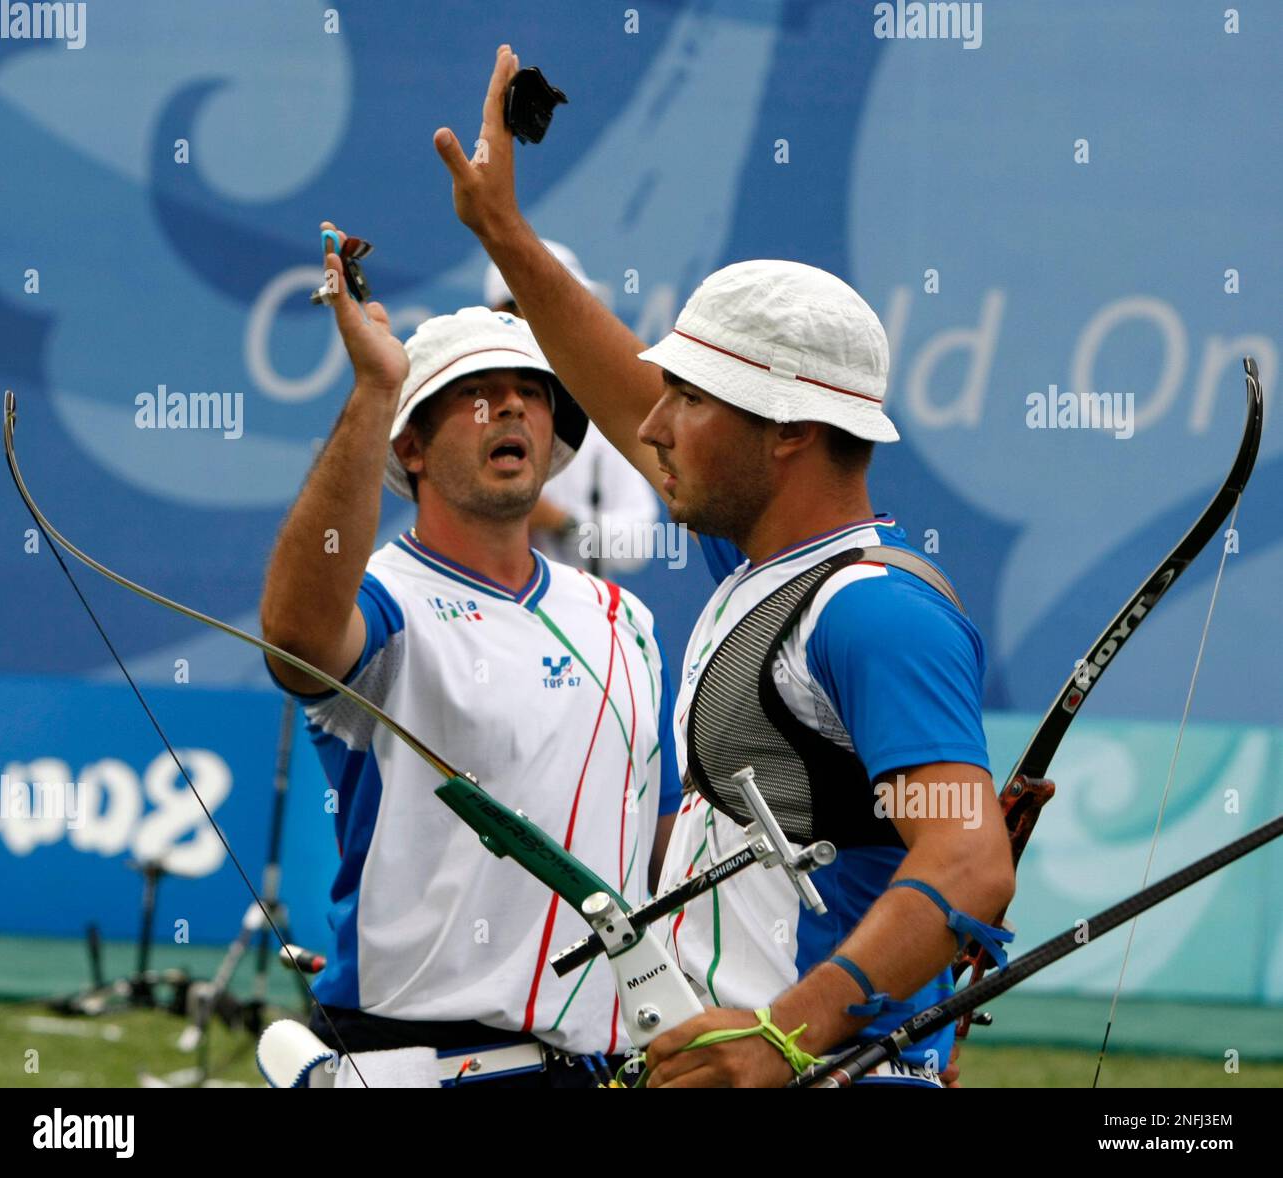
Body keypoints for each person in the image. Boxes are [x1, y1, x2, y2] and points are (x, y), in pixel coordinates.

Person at [430, 45, 1015, 1088]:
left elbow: (968, 860)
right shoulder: (764, 570)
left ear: (786, 430)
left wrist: (786, 1030)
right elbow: (616, 386)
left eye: (688, 397)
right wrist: (505, 236)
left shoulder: (872, 612)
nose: (651, 423)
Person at [259, 224, 680, 1088]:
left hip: (600, 1068)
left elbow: (662, 836)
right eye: (478, 393)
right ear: (409, 446)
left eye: (531, 391)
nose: (514, 407)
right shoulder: (386, 602)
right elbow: (298, 646)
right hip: (413, 1059)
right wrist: (377, 389)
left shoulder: (625, 618)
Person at [484, 242, 660, 574]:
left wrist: (562, 523)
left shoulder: (599, 419)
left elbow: (639, 544)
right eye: (547, 305)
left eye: (569, 306)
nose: (564, 323)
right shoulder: (467, 413)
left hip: (580, 619)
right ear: (504, 314)